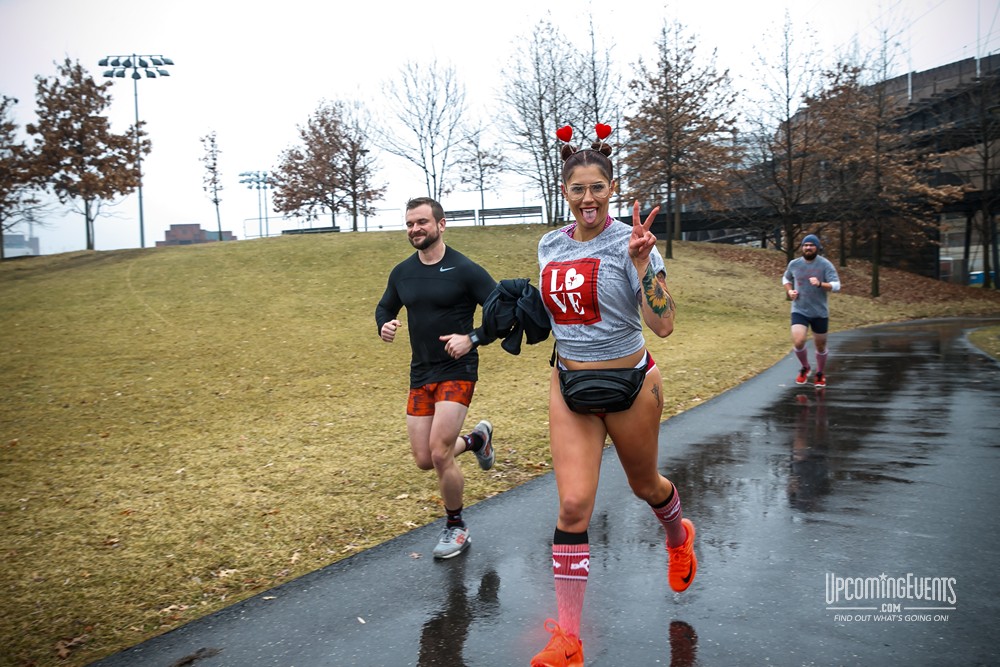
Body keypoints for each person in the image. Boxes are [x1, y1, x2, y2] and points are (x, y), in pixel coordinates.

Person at [530, 126, 696, 667]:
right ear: (565, 192)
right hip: (570, 384)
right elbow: (553, 314)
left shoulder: (633, 241)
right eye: (577, 189)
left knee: (646, 485)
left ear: (612, 187)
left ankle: (677, 535)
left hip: (629, 384)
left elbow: (664, 324)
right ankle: (569, 638)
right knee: (574, 504)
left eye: (597, 187)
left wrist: (644, 264)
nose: (587, 199)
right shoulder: (548, 245)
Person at [375, 196, 498, 559]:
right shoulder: (402, 272)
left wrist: (472, 338)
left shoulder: (465, 270)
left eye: (422, 222)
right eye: (410, 223)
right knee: (424, 459)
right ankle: (477, 440)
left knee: (441, 452)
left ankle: (456, 527)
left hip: (457, 371)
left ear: (441, 225)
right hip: (421, 372)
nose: (415, 229)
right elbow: (385, 305)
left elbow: (503, 310)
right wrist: (384, 323)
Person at [782, 234, 842, 389]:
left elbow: (836, 286)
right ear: (802, 247)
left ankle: (820, 373)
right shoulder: (794, 264)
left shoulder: (825, 264)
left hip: (819, 312)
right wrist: (790, 291)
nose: (808, 248)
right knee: (798, 341)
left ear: (817, 247)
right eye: (805, 245)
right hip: (799, 309)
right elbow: (786, 279)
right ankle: (805, 367)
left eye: (811, 245)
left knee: (820, 346)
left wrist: (821, 284)